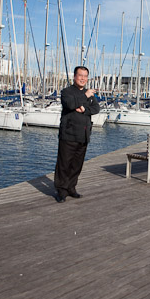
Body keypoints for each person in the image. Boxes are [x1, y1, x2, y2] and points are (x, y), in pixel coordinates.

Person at [54, 66, 100, 203]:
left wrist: (84, 108)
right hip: (68, 134)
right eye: (80, 75)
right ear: (74, 76)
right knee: (64, 164)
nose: (83, 79)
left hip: (83, 135)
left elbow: (96, 108)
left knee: (77, 165)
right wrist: (84, 97)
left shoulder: (90, 94)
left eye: (85, 76)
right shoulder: (67, 92)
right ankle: (61, 190)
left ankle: (71, 188)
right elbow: (69, 104)